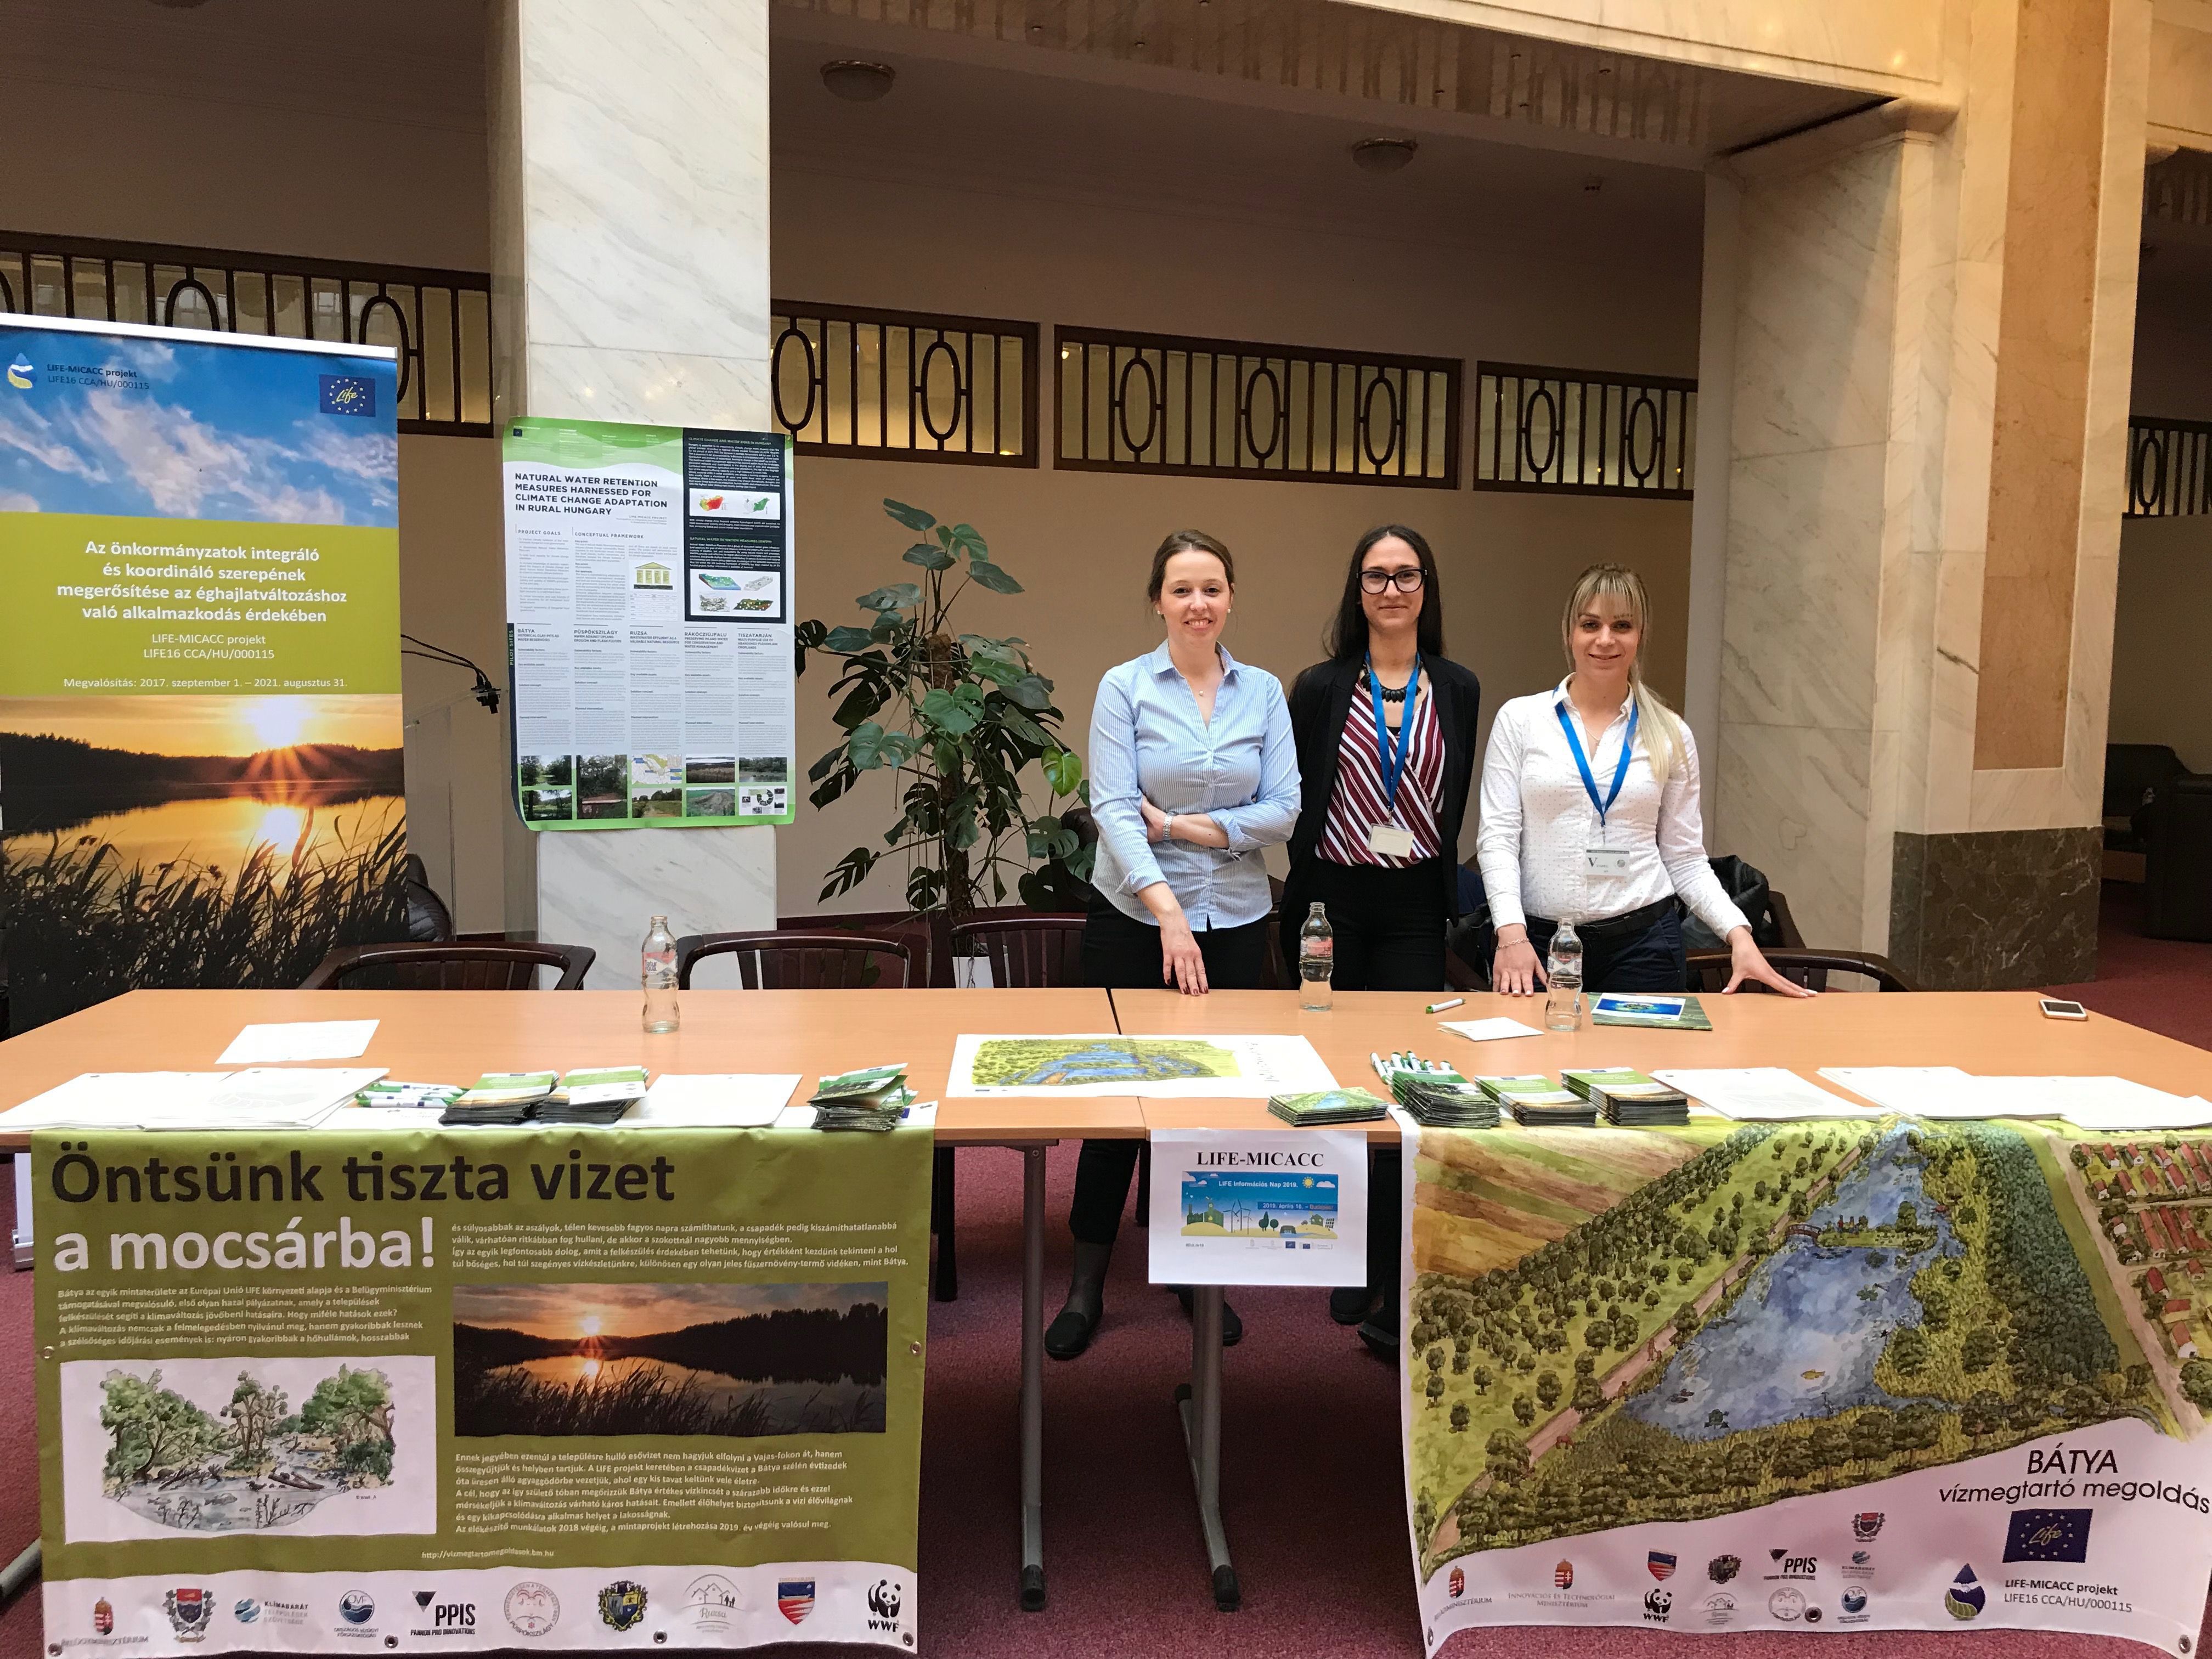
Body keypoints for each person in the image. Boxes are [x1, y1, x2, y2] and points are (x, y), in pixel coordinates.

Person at [1046, 529, 1300, 1360]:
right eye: (1183, 589)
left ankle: (1197, 1273)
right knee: (1118, 1107)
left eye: (1213, 589)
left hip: (1234, 918)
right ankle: (1086, 1280)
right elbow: (1115, 809)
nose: (1199, 604)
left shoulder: (1261, 691)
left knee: (1205, 1106)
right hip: (1134, 920)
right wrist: (1166, 910)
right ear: (1158, 599)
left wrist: (1187, 828)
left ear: (1231, 599)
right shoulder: (1124, 688)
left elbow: (1286, 809)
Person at [1280, 526, 1482, 1354]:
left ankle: (1394, 1259)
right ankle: (1352, 1256)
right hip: (1331, 898)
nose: (1392, 588)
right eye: (1377, 575)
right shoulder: (1321, 686)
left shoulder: (1459, 686)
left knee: (1402, 1079)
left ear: (1426, 588)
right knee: (1333, 1077)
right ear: (1356, 590)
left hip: (1410, 906)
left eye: (1407, 575)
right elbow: (1296, 792)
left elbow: (1454, 796)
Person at [1478, 563, 1811, 1000]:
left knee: (1638, 1070)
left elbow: (1686, 857)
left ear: (1640, 636)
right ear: (1569, 633)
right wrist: (1511, 934)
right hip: (1538, 945)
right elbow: (1498, 838)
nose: (1605, 640)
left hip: (1643, 947)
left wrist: (1739, 935)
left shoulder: (1670, 732)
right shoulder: (1521, 721)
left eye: (1622, 625)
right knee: (1532, 1066)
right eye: (1590, 624)